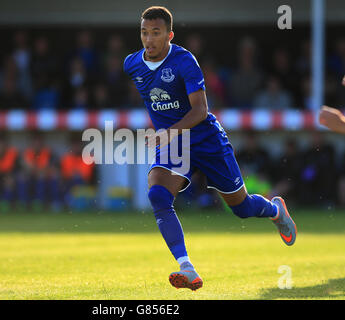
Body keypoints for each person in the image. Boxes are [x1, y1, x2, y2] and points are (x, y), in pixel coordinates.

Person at [123, 6, 297, 291]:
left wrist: (168, 132)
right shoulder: (132, 64)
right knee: (157, 195)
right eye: (144, 32)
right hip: (174, 143)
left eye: (156, 33)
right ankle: (187, 267)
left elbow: (201, 110)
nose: (149, 39)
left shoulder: (184, 61)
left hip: (206, 140)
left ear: (169, 35)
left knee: (241, 208)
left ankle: (275, 210)